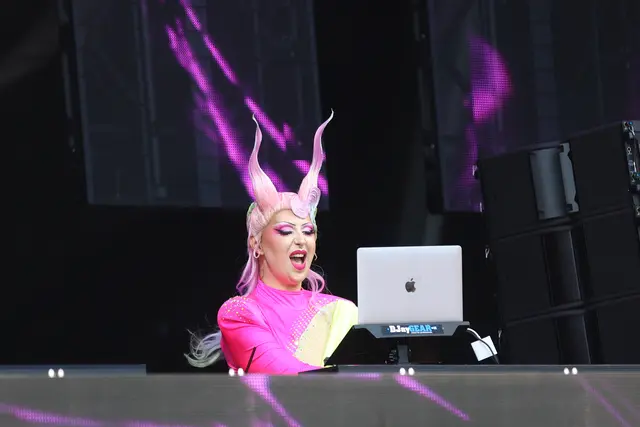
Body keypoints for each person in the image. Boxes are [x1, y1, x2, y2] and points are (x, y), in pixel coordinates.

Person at [186, 111, 358, 374]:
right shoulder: (239, 313)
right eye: (286, 231)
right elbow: (285, 375)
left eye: (308, 231)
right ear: (257, 244)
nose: (300, 240)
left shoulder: (341, 311)